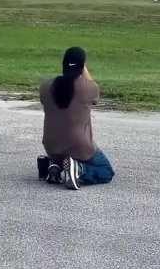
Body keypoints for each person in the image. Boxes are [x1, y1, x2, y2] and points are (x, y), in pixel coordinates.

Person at [38, 47, 115, 190]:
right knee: (106, 171)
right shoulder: (89, 88)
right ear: (82, 66)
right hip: (78, 146)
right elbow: (94, 94)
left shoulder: (45, 86)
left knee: (62, 150)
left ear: (64, 64)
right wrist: (82, 68)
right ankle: (79, 171)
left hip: (51, 145)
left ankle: (55, 165)